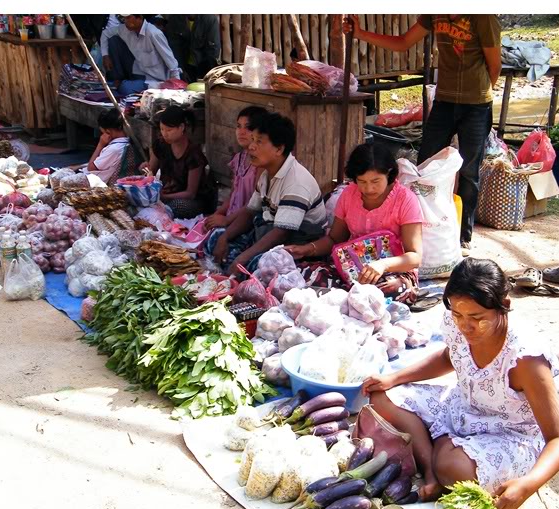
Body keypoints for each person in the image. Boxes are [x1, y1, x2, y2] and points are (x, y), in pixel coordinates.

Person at [361, 258, 559, 509]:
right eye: (458, 315)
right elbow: (450, 356)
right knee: (381, 397)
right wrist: (394, 378)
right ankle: (431, 470)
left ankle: (437, 454)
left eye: (476, 317)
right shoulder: (458, 320)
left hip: (510, 434)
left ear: (503, 306)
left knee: (455, 468)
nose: (465, 326)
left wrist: (528, 485)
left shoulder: (526, 359)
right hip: (463, 407)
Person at [345, 15, 501, 255]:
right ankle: (418, 229)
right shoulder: (433, 14)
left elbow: (494, 65)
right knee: (424, 165)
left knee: (469, 169)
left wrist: (481, 96)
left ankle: (463, 237)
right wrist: (360, 33)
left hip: (477, 104)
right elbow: (403, 42)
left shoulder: (482, 17)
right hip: (444, 101)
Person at [286, 143, 423, 303]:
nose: (369, 188)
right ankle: (348, 298)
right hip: (351, 267)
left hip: (393, 271)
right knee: (302, 274)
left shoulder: (405, 200)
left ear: (389, 173)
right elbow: (335, 239)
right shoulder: (349, 194)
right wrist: (307, 250)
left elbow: (414, 257)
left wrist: (382, 265)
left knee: (391, 289)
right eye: (362, 181)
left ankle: (345, 298)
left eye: (375, 181)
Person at [206, 112, 327, 275]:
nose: (251, 147)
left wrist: (242, 258)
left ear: (279, 149)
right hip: (266, 233)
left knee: (259, 267)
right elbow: (250, 212)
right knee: (216, 237)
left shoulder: (296, 182)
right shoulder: (266, 175)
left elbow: (281, 233)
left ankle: (233, 271)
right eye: (253, 140)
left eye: (259, 142)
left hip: (294, 246)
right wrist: (225, 238)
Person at [204, 106, 267, 232]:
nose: (241, 132)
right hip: (231, 217)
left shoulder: (261, 163)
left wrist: (227, 221)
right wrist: (217, 215)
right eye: (239, 126)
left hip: (247, 222)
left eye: (248, 127)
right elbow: (233, 194)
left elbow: (254, 204)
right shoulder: (239, 158)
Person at [145, 106, 213, 218]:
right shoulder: (161, 145)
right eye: (162, 129)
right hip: (164, 195)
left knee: (177, 206)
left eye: (169, 130)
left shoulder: (194, 154)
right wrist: (145, 169)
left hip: (190, 201)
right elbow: (150, 173)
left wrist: (164, 196)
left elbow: (190, 193)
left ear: (181, 127)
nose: (164, 134)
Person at [100, 14, 181, 95]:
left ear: (140, 17)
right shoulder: (124, 29)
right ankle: (118, 79)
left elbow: (170, 59)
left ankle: (127, 85)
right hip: (138, 72)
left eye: (128, 18)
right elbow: (105, 33)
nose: (126, 21)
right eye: (124, 18)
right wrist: (105, 55)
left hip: (155, 79)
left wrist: (176, 84)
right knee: (113, 40)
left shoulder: (154, 33)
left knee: (125, 88)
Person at [82, 109, 137, 185]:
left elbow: (90, 167)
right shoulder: (123, 143)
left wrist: (100, 144)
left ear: (108, 131)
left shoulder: (114, 149)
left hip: (97, 181)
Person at [165, 15, 221, 82]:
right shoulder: (175, 18)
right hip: (184, 67)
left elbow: (213, 50)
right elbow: (174, 47)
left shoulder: (210, 19)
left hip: (203, 66)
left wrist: (206, 74)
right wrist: (181, 70)